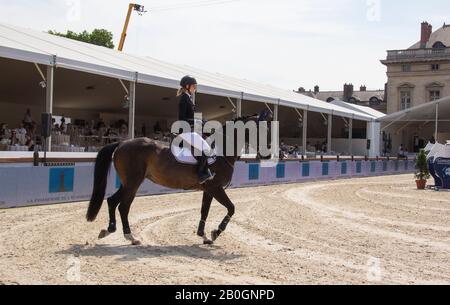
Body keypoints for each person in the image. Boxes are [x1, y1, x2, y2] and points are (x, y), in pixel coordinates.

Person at [178, 75, 215, 184]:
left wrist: (204, 120)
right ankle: (200, 174)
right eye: (194, 86)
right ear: (188, 86)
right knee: (205, 147)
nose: (195, 88)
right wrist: (197, 121)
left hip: (192, 130)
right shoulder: (184, 99)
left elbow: (193, 115)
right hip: (186, 131)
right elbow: (182, 118)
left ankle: (206, 169)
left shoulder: (188, 98)